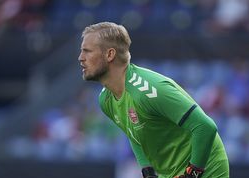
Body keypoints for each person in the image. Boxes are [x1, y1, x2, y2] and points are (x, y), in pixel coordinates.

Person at [78, 22, 229, 178]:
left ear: (110, 54)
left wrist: (192, 173)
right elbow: (134, 135)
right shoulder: (106, 99)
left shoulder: (148, 91)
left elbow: (205, 127)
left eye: (87, 51)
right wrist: (148, 171)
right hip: (170, 173)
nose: (81, 58)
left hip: (207, 169)